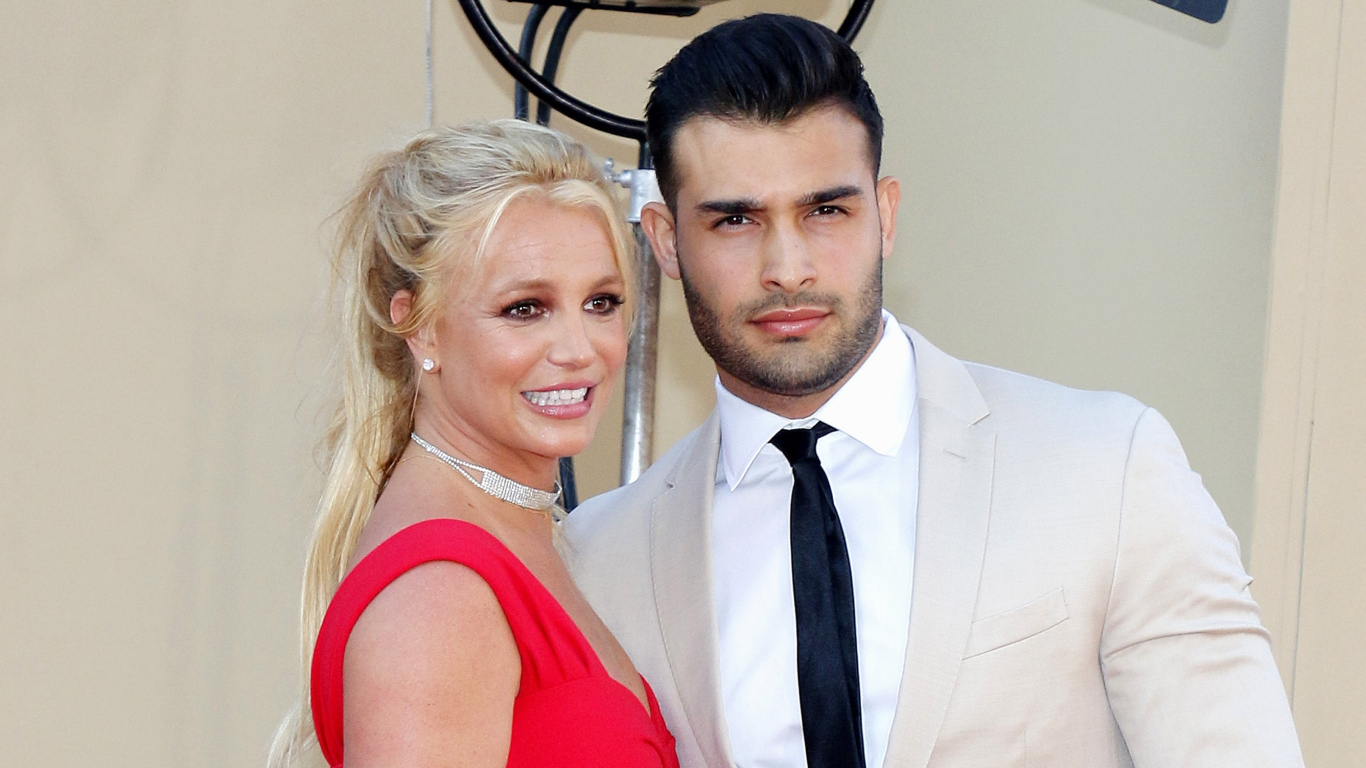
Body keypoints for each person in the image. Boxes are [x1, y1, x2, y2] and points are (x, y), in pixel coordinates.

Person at [563, 14, 1303, 768]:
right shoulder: (600, 558)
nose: (787, 268)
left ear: (885, 216)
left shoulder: (1107, 470)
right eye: (735, 220)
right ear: (666, 241)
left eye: (826, 210)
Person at [268, 120, 678, 768]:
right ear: (420, 327)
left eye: (601, 302)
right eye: (525, 308)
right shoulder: (438, 594)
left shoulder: (516, 538)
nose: (580, 350)